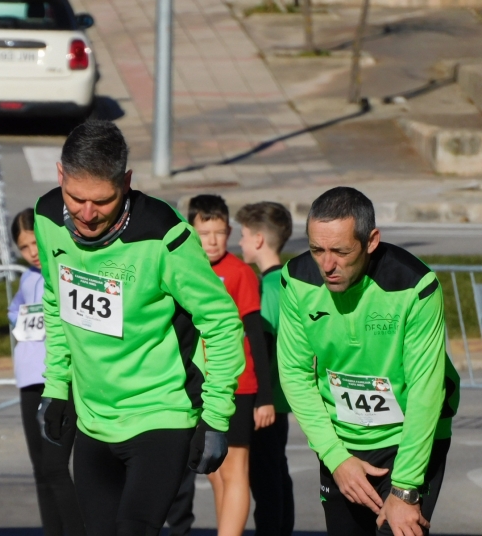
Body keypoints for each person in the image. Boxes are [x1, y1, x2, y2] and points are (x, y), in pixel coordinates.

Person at [33, 120, 245, 536]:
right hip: (93, 420)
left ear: (126, 182)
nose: (87, 215)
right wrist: (57, 386)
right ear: (60, 175)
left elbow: (221, 322)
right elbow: (57, 303)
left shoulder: (164, 236)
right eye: (76, 198)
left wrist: (217, 417)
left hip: (160, 414)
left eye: (103, 201)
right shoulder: (47, 219)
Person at [278, 187, 460, 536]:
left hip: (412, 439)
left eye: (341, 251)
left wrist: (405, 488)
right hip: (342, 443)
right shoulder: (296, 280)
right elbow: (295, 373)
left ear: (371, 240)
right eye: (317, 249)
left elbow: (426, 390)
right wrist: (336, 458)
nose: (326, 265)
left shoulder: (414, 287)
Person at [167, 194, 274, 536]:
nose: (211, 241)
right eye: (203, 232)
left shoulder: (239, 273)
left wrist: (264, 396)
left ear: (229, 231)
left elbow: (256, 337)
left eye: (219, 232)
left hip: (236, 385)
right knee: (214, 470)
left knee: (235, 469)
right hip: (201, 385)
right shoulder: (184, 268)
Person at [8, 208, 85, 536]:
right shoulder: (27, 277)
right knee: (41, 469)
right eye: (24, 248)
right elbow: (16, 312)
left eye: (35, 244)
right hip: (29, 380)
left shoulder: (65, 268)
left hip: (61, 379)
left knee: (56, 466)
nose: (32, 253)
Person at [236, 201, 295, 536]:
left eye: (243, 236)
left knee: (265, 483)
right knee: (277, 475)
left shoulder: (266, 289)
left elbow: (264, 346)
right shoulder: (288, 282)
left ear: (258, 239)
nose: (240, 242)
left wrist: (260, 397)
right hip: (282, 397)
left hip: (265, 399)